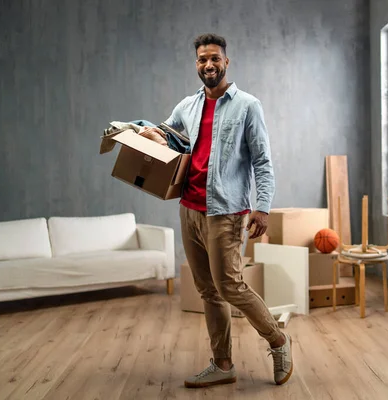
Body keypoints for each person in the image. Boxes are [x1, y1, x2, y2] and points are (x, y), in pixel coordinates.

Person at [140, 33, 293, 388]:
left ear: (226, 62)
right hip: (189, 209)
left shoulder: (248, 106)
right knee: (208, 290)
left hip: (225, 212)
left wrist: (263, 207)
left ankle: (278, 341)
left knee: (231, 286)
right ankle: (223, 363)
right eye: (201, 60)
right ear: (196, 65)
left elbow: (262, 161)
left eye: (214, 58)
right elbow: (167, 136)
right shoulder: (187, 106)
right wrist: (144, 134)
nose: (208, 64)